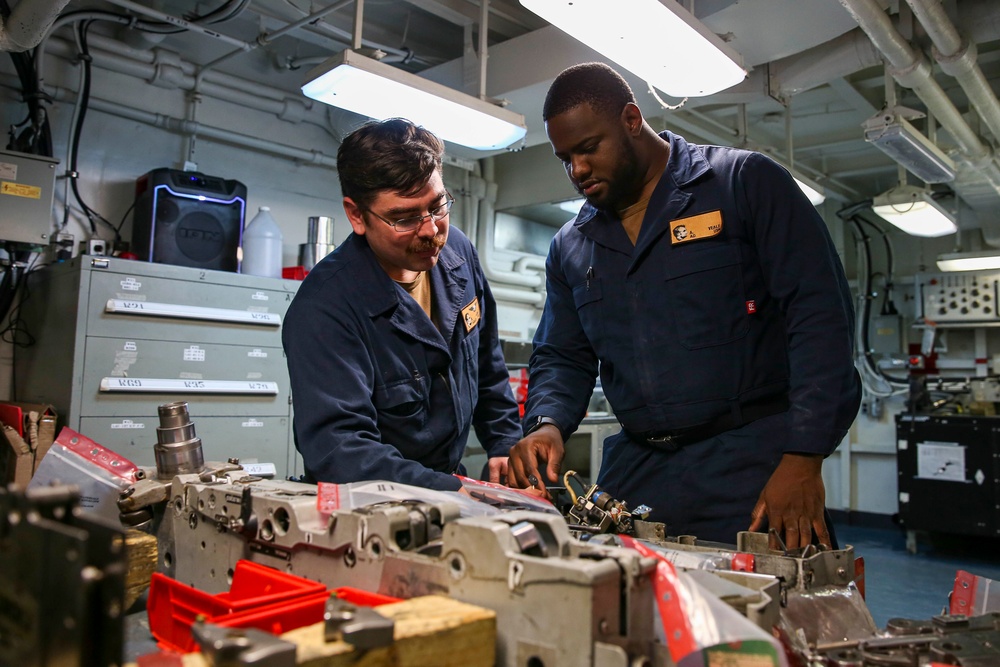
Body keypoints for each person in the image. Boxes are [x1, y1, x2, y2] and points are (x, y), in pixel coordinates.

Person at [507, 63, 861, 549]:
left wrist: (804, 456)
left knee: (771, 615)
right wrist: (547, 423)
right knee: (624, 609)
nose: (578, 170)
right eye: (564, 158)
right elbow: (563, 354)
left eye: (589, 149)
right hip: (640, 471)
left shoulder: (742, 185)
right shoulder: (572, 245)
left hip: (752, 465)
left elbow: (820, 319)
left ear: (632, 119)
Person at [283, 118, 522, 491]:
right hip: (369, 506)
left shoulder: (457, 251)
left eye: (438, 205)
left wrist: (505, 443)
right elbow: (341, 450)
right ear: (357, 215)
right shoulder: (325, 309)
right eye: (405, 218)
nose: (430, 230)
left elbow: (488, 367)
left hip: (445, 488)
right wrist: (459, 493)